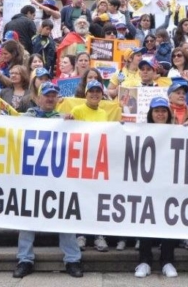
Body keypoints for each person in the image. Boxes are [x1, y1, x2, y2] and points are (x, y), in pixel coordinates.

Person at [12, 82, 84, 278]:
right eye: (47, 95)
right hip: (33, 177)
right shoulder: (26, 118)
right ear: (38, 98)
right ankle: (24, 259)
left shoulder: (64, 119)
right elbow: (0, 122)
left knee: (65, 218)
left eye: (54, 95)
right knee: (28, 220)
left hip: (58, 178)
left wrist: (72, 123)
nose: (50, 98)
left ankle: (72, 260)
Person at [133, 97, 179, 278]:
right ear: (151, 114)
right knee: (146, 223)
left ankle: (167, 261)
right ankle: (144, 261)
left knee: (168, 222)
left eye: (163, 111)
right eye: (157, 111)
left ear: (168, 113)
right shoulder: (142, 130)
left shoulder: (177, 130)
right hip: (148, 184)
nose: (160, 114)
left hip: (169, 185)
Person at [70, 79, 111, 251]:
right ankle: (80, 234)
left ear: (102, 94)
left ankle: (98, 235)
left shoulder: (104, 113)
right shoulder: (77, 110)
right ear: (85, 94)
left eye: (98, 91)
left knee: (97, 199)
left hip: (98, 162)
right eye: (91, 91)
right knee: (81, 198)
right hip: (80, 161)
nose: (95, 94)